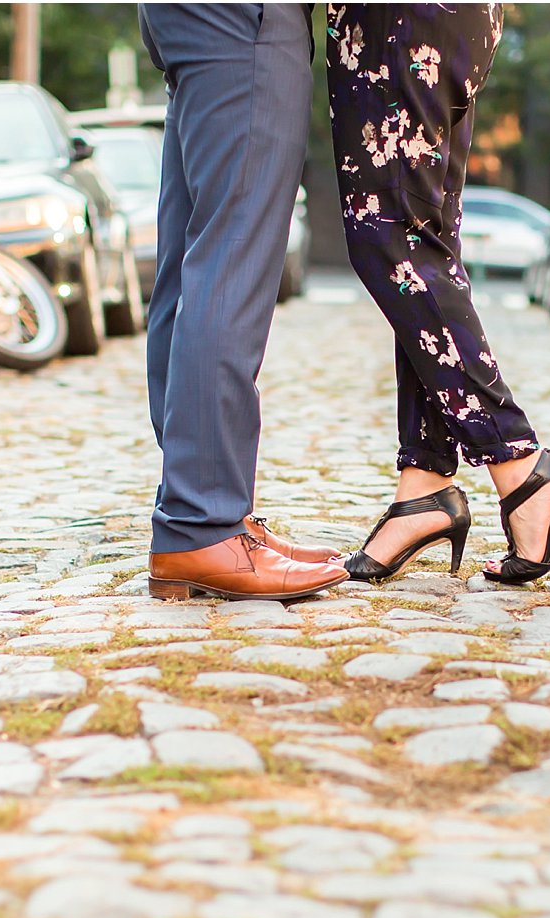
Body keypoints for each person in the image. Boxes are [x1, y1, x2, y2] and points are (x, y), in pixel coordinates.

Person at [327, 3, 550, 583]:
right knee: (423, 246)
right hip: (441, 18)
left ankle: (521, 464)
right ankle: (424, 487)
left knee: (390, 237)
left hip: (399, 20)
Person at [137, 3, 351, 601]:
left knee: (194, 264)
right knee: (230, 261)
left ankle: (207, 514)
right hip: (243, 17)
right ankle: (199, 523)